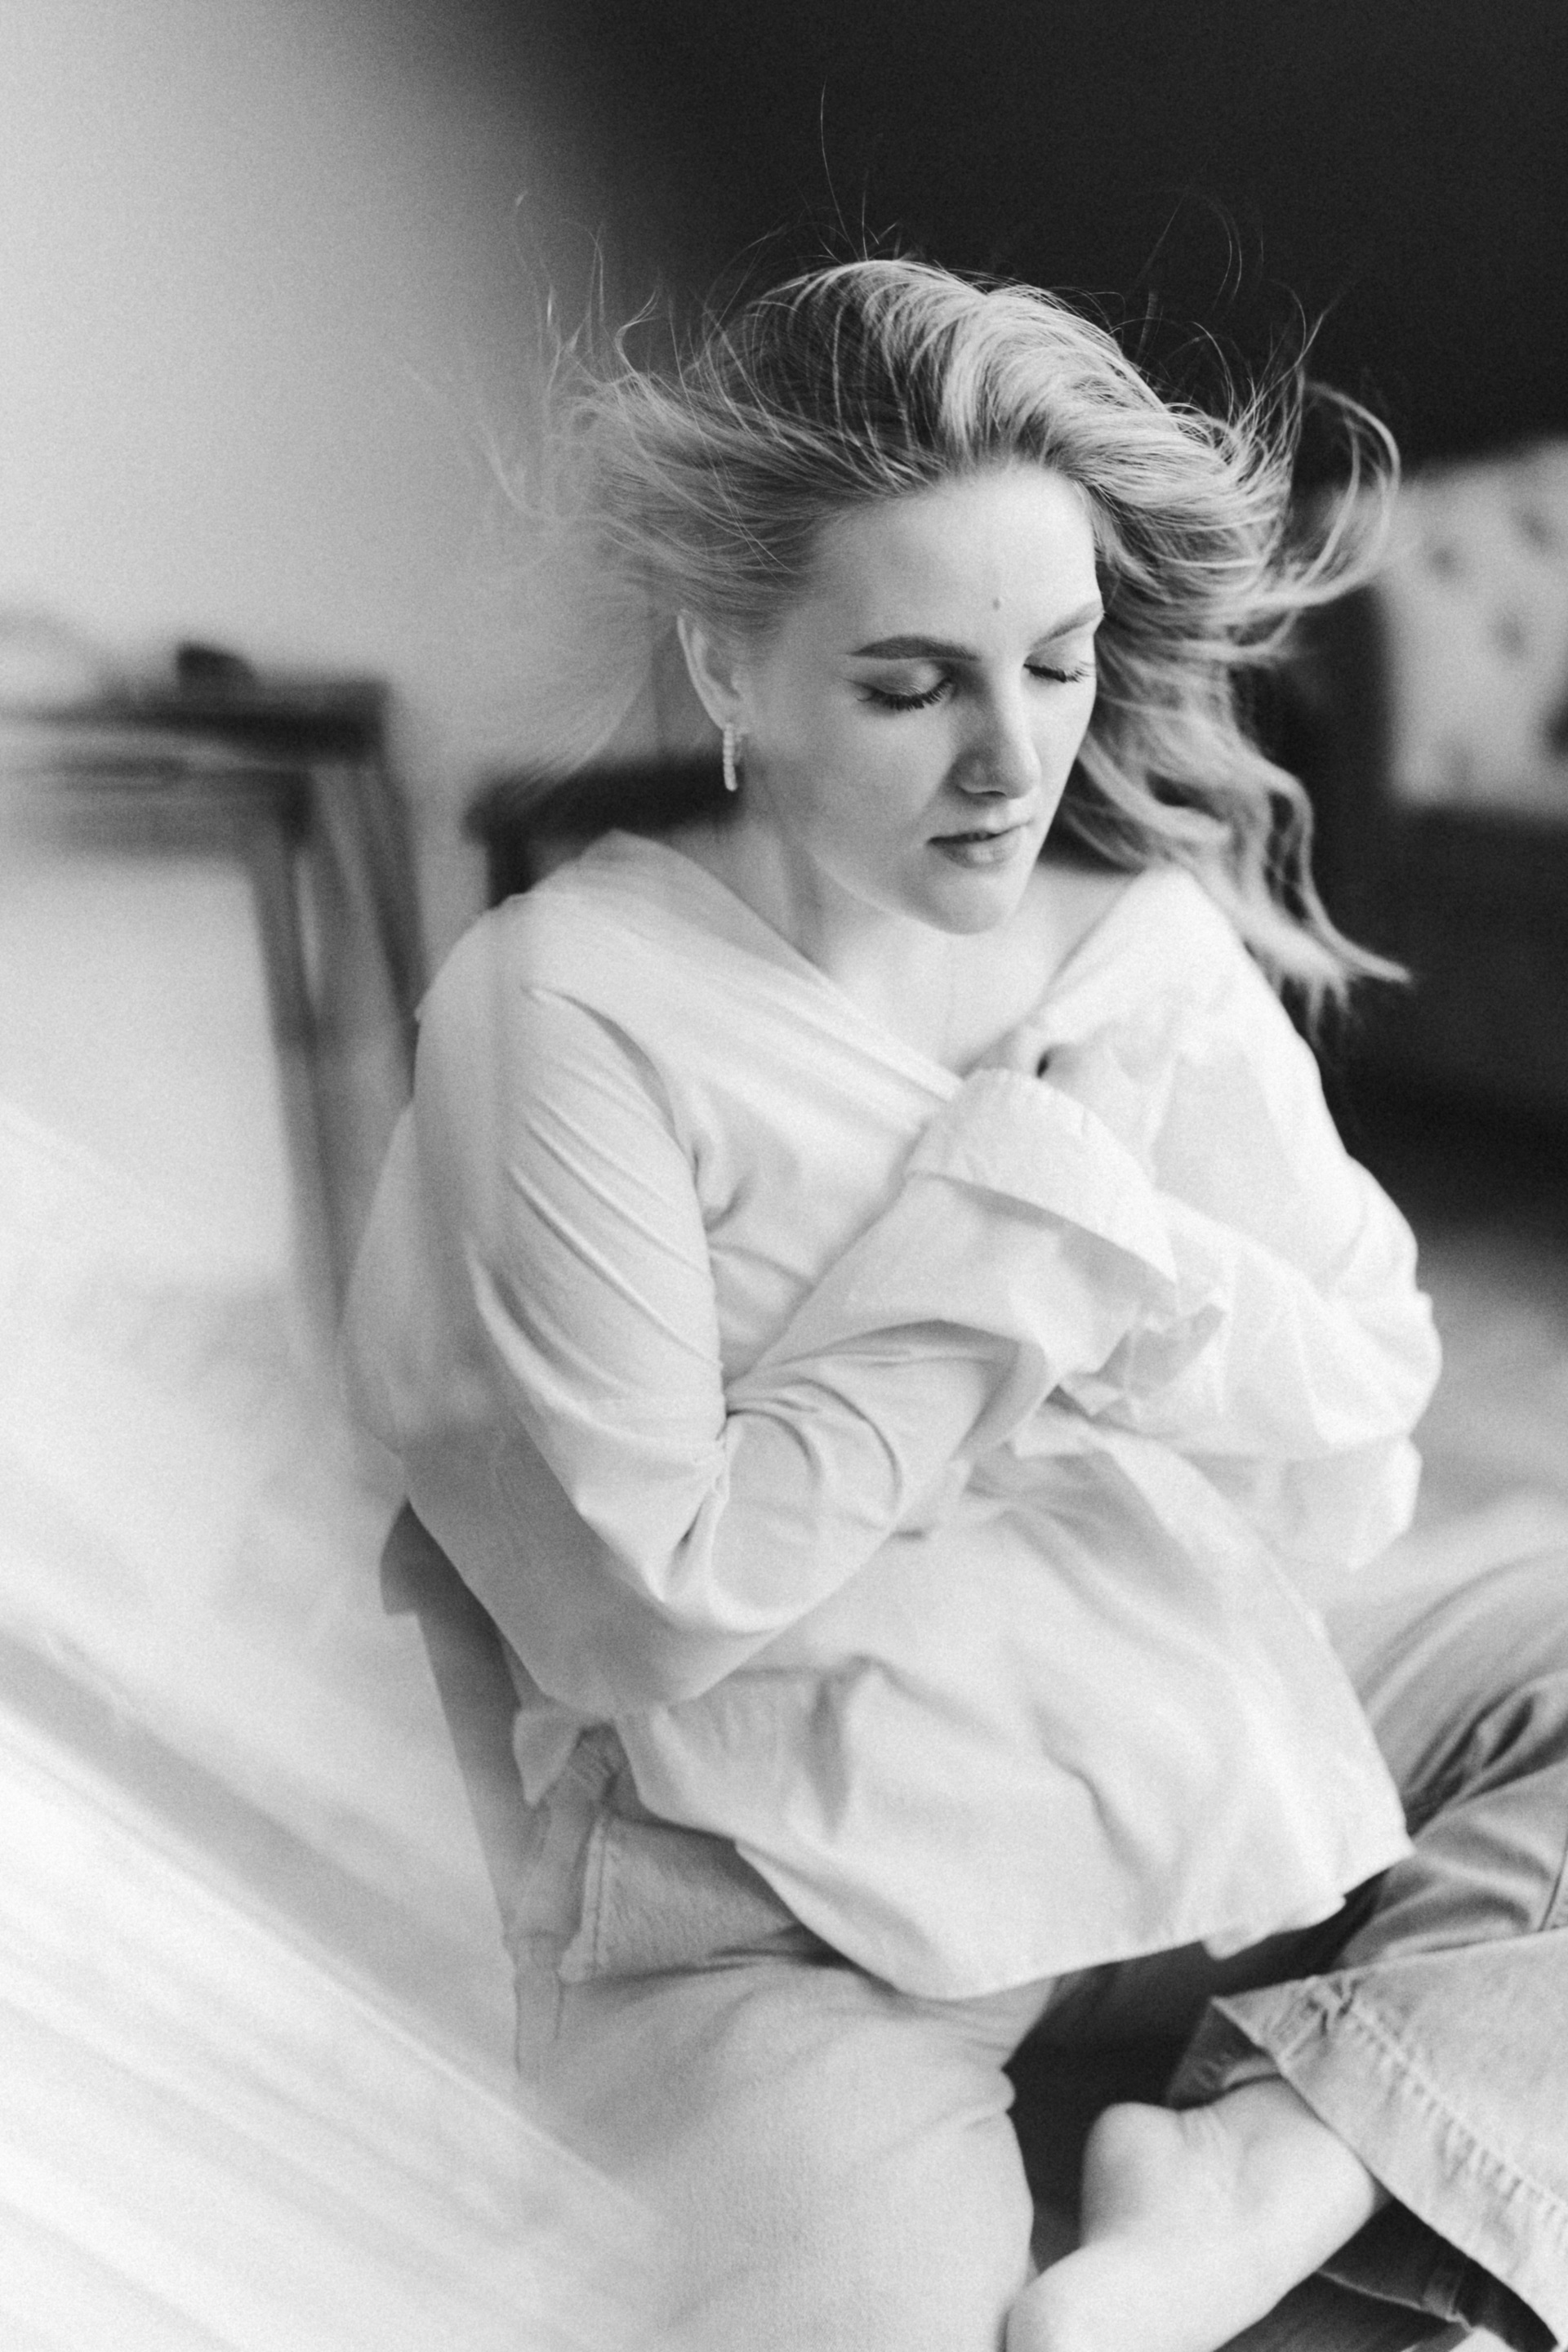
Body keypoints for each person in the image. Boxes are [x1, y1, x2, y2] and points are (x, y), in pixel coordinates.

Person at [343, 260, 1568, 2352]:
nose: (1014, 760)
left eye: (1059, 663)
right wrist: (1007, 1237)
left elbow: (1367, 1418)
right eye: (914, 687)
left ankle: (1267, 2174)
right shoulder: (569, 1013)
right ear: (727, 665)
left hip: (1186, 1780)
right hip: (774, 1897)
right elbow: (639, 1608)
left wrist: (1126, 1257)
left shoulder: (1137, 949)